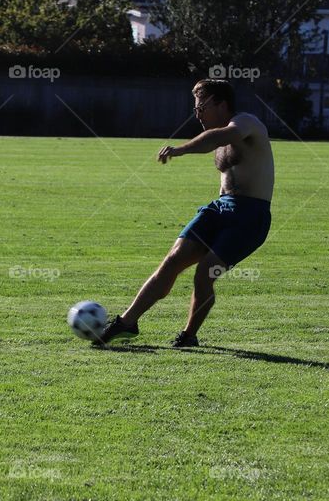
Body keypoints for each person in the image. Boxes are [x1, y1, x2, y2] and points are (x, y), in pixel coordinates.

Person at [98, 78, 275, 348]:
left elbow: (219, 137)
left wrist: (180, 149)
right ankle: (126, 322)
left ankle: (188, 336)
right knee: (172, 261)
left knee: (205, 273)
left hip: (250, 216)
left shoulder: (246, 122)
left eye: (201, 107)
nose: (198, 115)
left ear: (221, 103)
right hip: (220, 208)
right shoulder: (217, 133)